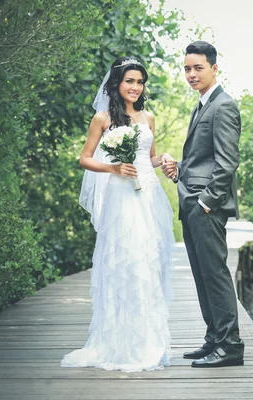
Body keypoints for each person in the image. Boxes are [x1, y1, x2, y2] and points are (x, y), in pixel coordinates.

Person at [61, 56, 177, 372]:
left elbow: (147, 158)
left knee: (148, 262)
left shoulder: (148, 118)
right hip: (121, 196)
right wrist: (113, 167)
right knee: (125, 260)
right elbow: (85, 159)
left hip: (148, 195)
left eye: (140, 82)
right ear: (117, 83)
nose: (136, 87)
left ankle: (147, 343)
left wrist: (165, 158)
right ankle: (117, 343)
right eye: (130, 81)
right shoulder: (101, 118)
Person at [162, 41, 244, 368]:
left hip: (205, 207)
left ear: (214, 68)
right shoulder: (201, 104)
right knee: (202, 276)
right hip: (193, 202)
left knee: (216, 276)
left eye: (198, 68)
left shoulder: (223, 106)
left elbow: (227, 163)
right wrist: (179, 169)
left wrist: (206, 203)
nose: (191, 74)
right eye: (187, 68)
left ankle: (230, 346)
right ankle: (214, 339)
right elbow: (203, 161)